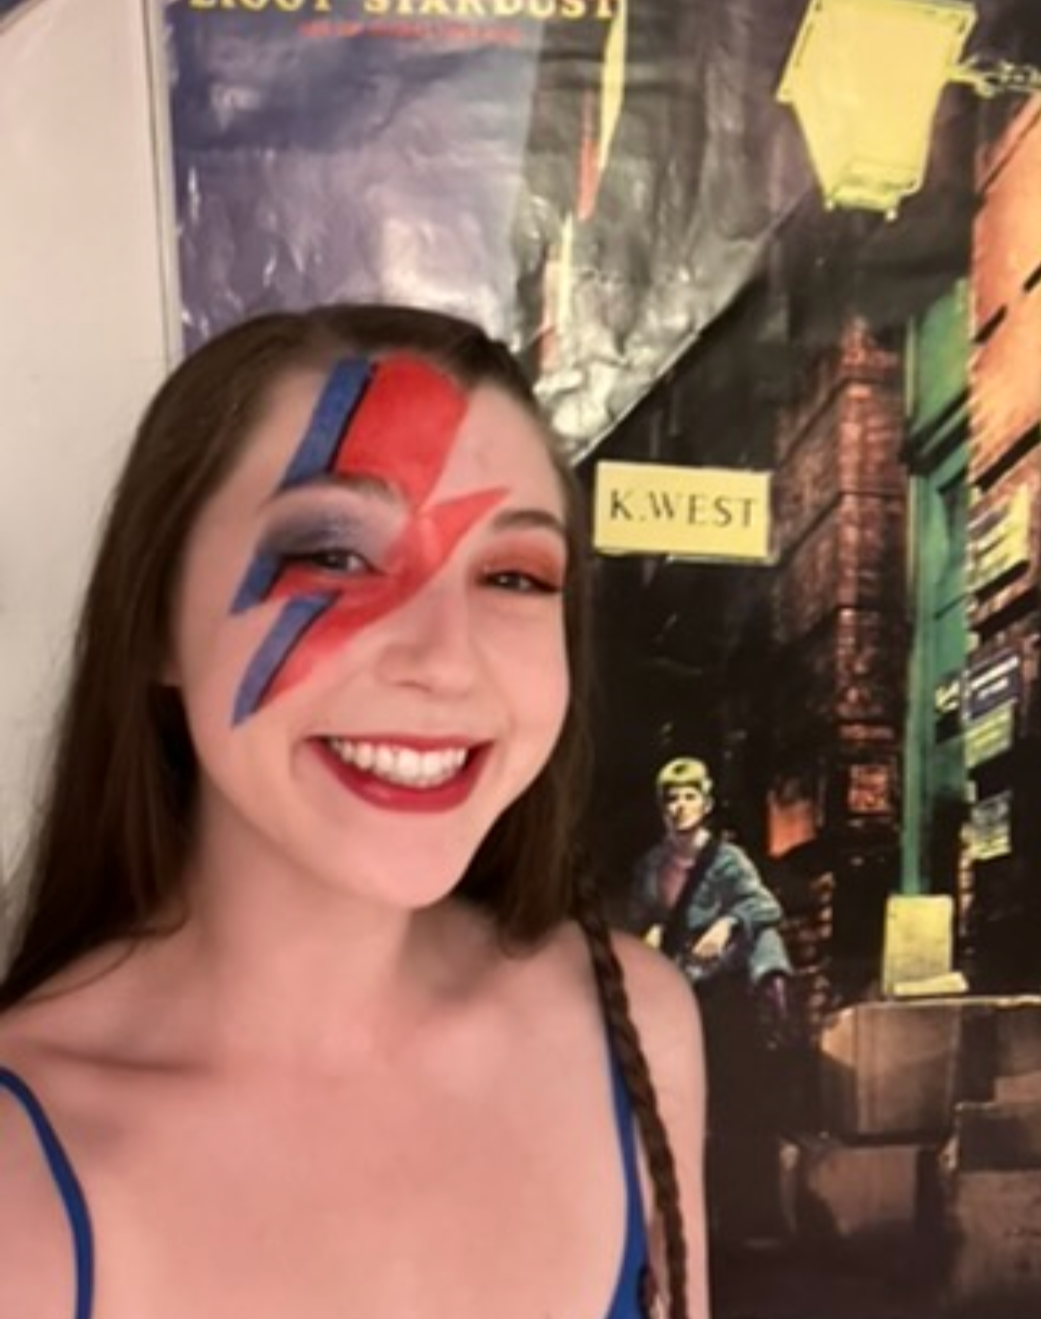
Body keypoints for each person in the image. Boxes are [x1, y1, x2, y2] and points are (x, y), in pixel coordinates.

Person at [0, 306, 707, 1319]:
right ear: (156, 617)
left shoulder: (632, 1031)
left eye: (513, 575)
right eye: (334, 555)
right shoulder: (21, 1171)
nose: (446, 660)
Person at [630, 757, 792, 1040]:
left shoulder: (726, 860)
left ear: (706, 805)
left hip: (717, 977)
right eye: (672, 798)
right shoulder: (652, 864)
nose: (680, 806)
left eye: (690, 796)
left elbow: (765, 906)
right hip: (670, 972)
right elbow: (641, 913)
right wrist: (652, 929)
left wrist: (728, 923)